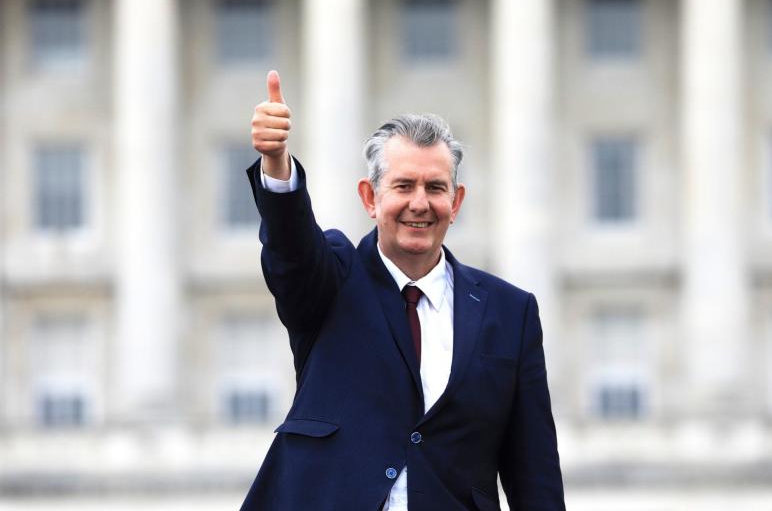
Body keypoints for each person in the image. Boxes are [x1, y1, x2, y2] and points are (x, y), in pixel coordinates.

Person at [240, 70, 565, 510]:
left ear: (456, 201)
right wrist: (276, 165)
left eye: (435, 188)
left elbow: (535, 472)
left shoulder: (510, 311)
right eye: (403, 186)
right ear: (370, 199)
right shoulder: (333, 278)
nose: (419, 203)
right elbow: (291, 250)